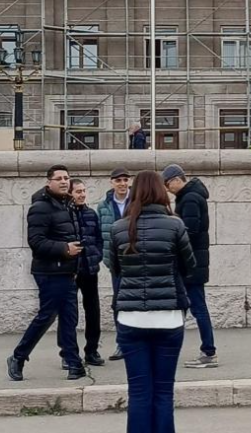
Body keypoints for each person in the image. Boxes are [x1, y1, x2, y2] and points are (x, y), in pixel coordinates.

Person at [109, 170, 197, 433]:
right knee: (163, 391)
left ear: (134, 193)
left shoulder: (118, 228)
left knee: (138, 392)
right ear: (161, 192)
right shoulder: (175, 225)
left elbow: (115, 268)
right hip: (168, 317)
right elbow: (189, 266)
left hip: (130, 317)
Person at [7, 165, 85, 382]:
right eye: (59, 178)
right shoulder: (41, 207)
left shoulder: (66, 205)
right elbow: (36, 242)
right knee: (47, 316)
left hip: (67, 270)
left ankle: (74, 363)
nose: (64, 181)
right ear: (48, 182)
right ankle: (18, 356)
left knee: (69, 317)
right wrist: (64, 249)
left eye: (67, 178)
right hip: (50, 271)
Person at [163, 163, 216, 369]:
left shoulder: (191, 198)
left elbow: (189, 231)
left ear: (177, 179)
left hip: (191, 263)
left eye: (168, 184)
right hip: (193, 261)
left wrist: (173, 222)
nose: (168, 189)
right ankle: (173, 349)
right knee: (185, 306)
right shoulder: (190, 196)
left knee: (197, 307)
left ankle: (208, 351)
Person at [70, 179, 106, 367]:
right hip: (71, 272)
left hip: (90, 270)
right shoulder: (65, 215)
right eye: (78, 191)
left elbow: (99, 239)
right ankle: (69, 354)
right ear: (70, 194)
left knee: (93, 312)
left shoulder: (91, 214)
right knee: (70, 314)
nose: (82, 194)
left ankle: (92, 351)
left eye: (84, 191)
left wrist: (96, 256)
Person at [98, 167, 132, 361]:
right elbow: (100, 236)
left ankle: (136, 342)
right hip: (115, 264)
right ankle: (122, 343)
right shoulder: (103, 207)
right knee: (118, 303)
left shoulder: (137, 203)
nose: (122, 184)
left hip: (135, 262)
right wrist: (106, 260)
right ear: (112, 183)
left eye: (125, 180)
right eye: (118, 180)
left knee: (135, 303)